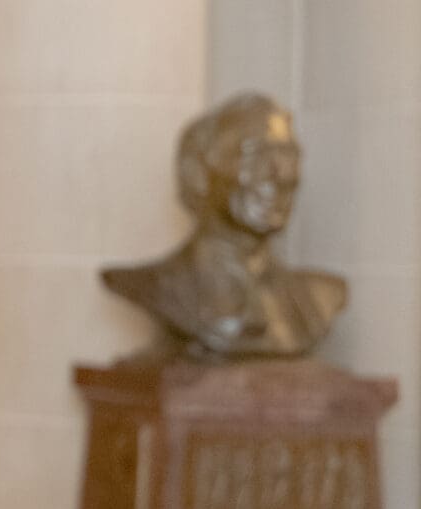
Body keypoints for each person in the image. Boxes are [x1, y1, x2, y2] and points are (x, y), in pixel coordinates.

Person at [101, 91, 347, 360]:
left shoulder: (318, 297)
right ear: (197, 172)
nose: (283, 176)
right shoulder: (163, 285)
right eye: (256, 154)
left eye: (290, 156)